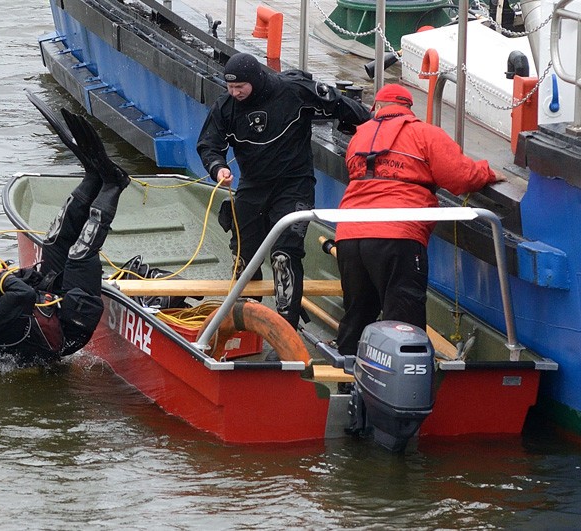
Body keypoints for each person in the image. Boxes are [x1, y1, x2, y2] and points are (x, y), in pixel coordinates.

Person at [0, 107, 130, 365]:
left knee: (54, 239)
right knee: (78, 255)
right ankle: (114, 185)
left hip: (47, 301)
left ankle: (92, 177)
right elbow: (21, 295)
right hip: (69, 326)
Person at [196, 52, 371, 330]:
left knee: (284, 254)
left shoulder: (292, 91)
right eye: (230, 87)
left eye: (240, 86)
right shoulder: (226, 107)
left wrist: (369, 124)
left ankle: (285, 324)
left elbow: (338, 103)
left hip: (294, 184)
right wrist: (218, 168)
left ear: (253, 80)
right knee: (244, 254)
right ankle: (244, 315)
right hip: (253, 186)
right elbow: (209, 143)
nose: (234, 92)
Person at [334, 83, 507, 358]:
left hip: (349, 234)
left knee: (356, 314)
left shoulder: (359, 137)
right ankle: (404, 391)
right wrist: (486, 172)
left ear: (376, 108)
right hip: (398, 235)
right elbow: (460, 177)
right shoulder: (425, 133)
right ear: (408, 109)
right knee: (404, 320)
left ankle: (346, 379)